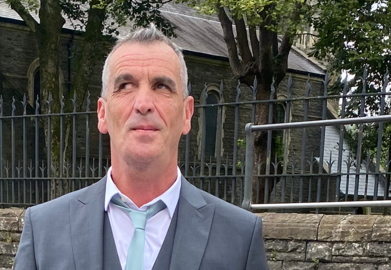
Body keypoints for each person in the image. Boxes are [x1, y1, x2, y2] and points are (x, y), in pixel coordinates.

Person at [14, 25, 268, 270]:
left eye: (161, 86)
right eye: (125, 86)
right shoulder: (43, 230)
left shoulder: (240, 238)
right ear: (102, 114)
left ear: (187, 114)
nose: (143, 103)